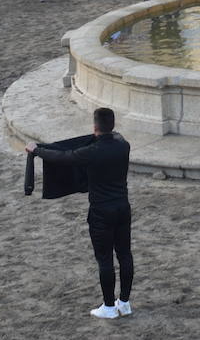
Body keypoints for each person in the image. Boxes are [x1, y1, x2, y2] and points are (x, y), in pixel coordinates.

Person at [25, 107, 134, 320]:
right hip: (123, 208)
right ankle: (125, 303)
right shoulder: (124, 146)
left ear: (94, 127)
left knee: (104, 259)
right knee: (125, 254)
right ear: (113, 125)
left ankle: (109, 308)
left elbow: (63, 157)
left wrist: (36, 150)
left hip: (101, 212)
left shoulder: (91, 153)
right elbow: (114, 138)